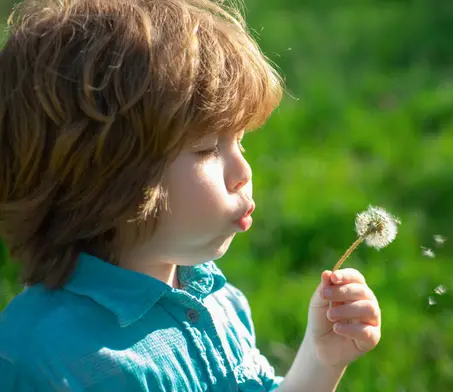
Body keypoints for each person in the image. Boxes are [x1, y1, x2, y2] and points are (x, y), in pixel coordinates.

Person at [0, 0, 382, 390]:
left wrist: (321, 360)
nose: (243, 173)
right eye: (206, 148)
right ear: (106, 172)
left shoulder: (215, 301)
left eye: (240, 143)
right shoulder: (42, 356)